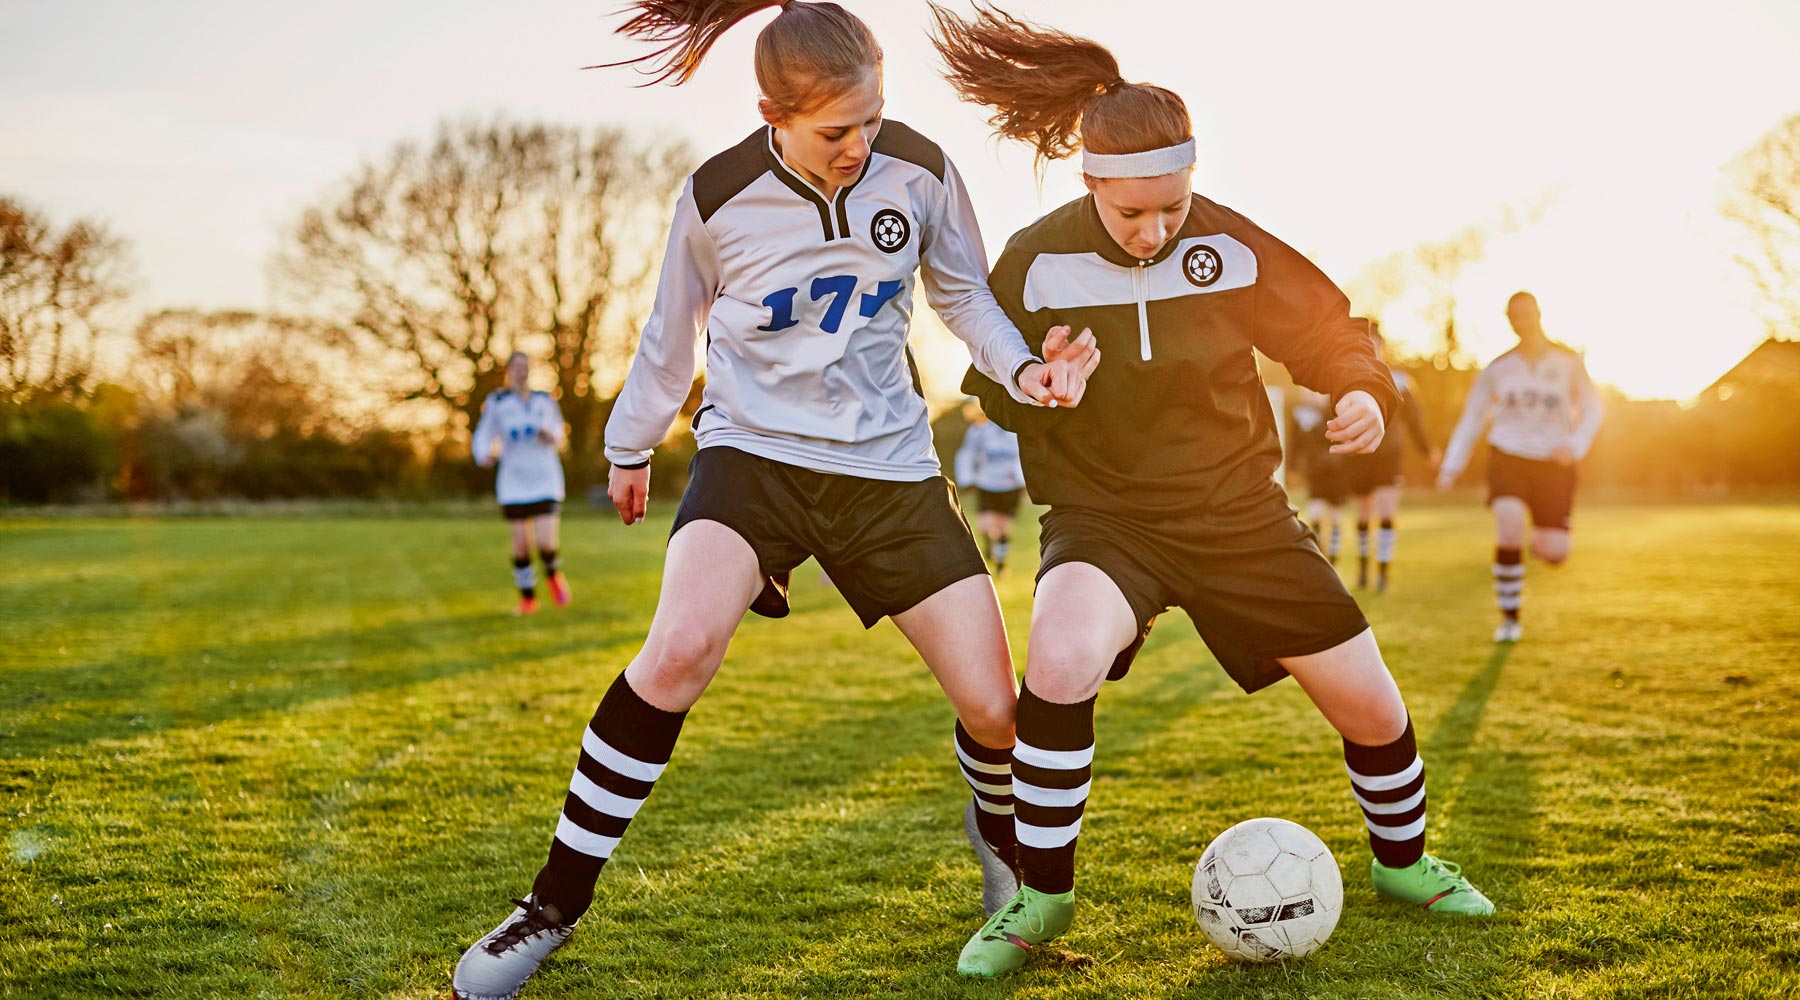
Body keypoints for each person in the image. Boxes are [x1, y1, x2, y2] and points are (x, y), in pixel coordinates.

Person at [451, 4, 1099, 998]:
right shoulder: (717, 194)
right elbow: (671, 342)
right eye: (835, 131)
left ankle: (1002, 864)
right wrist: (629, 447)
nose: (859, 147)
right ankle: (548, 908)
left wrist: (1025, 370)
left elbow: (962, 293)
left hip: (889, 469)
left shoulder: (918, 168)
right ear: (771, 114)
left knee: (995, 710)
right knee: (675, 653)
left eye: (872, 121)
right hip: (752, 455)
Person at [930, 4, 1495, 978]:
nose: (1153, 230)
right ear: (1091, 181)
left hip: (1240, 516)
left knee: (1371, 706)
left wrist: (1362, 390)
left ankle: (1405, 864)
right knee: (1058, 659)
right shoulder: (1036, 259)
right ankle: (1041, 896)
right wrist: (1040, 384)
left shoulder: (1230, 246)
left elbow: (1330, 333)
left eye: (1172, 207)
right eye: (1130, 211)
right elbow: (989, 381)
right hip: (1108, 520)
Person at [1437, 290, 1603, 642]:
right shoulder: (1498, 369)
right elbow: (1472, 419)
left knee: (1554, 553)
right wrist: (1452, 465)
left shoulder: (1568, 361)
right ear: (1508, 321)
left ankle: (1537, 539)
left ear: (1539, 314)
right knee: (1509, 528)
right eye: (1514, 317)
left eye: (1527, 315)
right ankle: (1510, 619)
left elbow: (1593, 408)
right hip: (1508, 455)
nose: (1522, 323)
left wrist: (1575, 446)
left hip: (1554, 461)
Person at [471, 351, 571, 616]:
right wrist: (485, 454)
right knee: (522, 545)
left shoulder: (544, 399)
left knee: (546, 542)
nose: (521, 371)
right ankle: (528, 599)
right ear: (508, 370)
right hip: (513, 482)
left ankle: (553, 575)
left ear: (530, 369)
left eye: (525, 366)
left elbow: (560, 431)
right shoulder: (498, 401)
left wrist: (552, 436)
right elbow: (484, 433)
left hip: (545, 479)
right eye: (516, 367)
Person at [1344, 322, 1438, 591]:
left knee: (1386, 512)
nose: (1372, 348)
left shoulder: (1400, 381)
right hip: (1359, 455)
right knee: (1363, 513)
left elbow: (1415, 421)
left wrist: (1427, 450)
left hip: (1388, 456)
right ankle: (1363, 569)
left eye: (1376, 343)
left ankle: (1383, 572)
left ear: (1383, 347)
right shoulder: (1349, 380)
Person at [953, 397, 1027, 575]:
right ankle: (989, 549)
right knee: (985, 526)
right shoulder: (979, 431)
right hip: (986, 484)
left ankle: (1001, 565)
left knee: (1003, 527)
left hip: (1009, 485)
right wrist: (967, 478)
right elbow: (966, 453)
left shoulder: (1015, 430)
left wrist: (1023, 480)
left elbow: (1024, 456)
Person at [1290, 387, 1351, 562]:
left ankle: (1334, 556)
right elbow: (1295, 444)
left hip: (1337, 470)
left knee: (1335, 515)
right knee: (1315, 513)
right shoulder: (1300, 413)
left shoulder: (1335, 410)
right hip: (1315, 471)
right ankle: (1319, 553)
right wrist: (1293, 468)